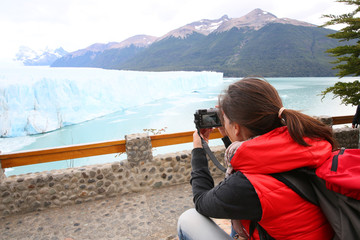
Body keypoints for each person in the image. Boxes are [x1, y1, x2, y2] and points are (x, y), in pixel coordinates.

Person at [177, 77, 337, 240]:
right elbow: (254, 159)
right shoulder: (306, 144)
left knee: (188, 219)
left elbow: (201, 202)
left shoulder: (246, 187)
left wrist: (198, 149)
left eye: (225, 120)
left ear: (237, 127)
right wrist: (228, 135)